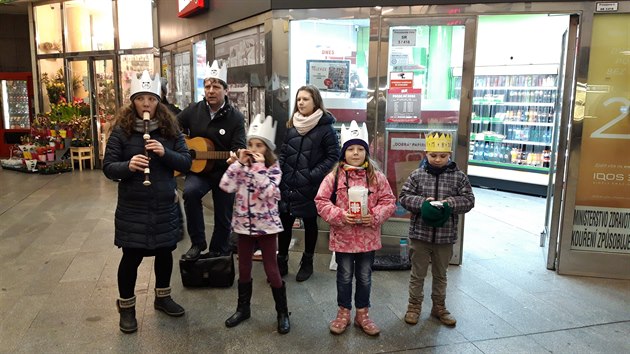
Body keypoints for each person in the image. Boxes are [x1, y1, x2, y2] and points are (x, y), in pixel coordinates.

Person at [102, 70, 192, 334]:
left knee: (165, 252)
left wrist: (165, 153)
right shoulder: (121, 131)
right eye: (140, 99)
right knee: (131, 256)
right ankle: (127, 307)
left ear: (158, 102)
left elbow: (186, 162)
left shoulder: (170, 129)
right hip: (134, 205)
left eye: (150, 99)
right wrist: (128, 165)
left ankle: (163, 297)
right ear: (133, 101)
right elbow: (108, 167)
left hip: (164, 200)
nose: (146, 104)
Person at [315, 120, 396, 336]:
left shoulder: (377, 177)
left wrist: (374, 215)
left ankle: (363, 313)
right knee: (344, 276)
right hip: (343, 238)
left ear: (367, 152)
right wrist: (341, 215)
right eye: (350, 149)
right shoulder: (334, 177)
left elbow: (389, 201)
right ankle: (343, 312)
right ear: (343, 153)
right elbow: (321, 201)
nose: (356, 153)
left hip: (368, 238)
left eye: (360, 149)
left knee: (364, 276)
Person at [219, 114, 290, 334]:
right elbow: (225, 186)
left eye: (259, 145)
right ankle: (243, 309)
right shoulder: (241, 167)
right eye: (250, 144)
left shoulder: (273, 168)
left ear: (267, 149)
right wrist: (238, 164)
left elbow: (269, 192)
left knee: (271, 269)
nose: (253, 148)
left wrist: (258, 168)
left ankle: (282, 312)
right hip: (242, 226)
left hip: (267, 226)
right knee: (244, 268)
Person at [398, 132, 475, 327]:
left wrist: (449, 204)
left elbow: (469, 200)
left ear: (449, 154)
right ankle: (414, 306)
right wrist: (422, 203)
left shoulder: (459, 177)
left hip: (445, 236)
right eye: (433, 155)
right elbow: (404, 197)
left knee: (441, 274)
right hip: (420, 235)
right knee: (418, 273)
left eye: (442, 155)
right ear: (426, 153)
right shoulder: (417, 175)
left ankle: (439, 307)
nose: (438, 159)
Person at [178, 60, 246, 260]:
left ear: (226, 90)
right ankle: (197, 244)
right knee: (190, 193)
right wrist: (183, 142)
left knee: (223, 213)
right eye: (207, 86)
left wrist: (236, 156)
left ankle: (218, 249)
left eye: (216, 86)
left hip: (224, 172)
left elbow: (239, 146)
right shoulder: (194, 110)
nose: (211, 91)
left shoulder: (235, 118)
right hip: (199, 171)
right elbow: (172, 126)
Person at [277, 85, 340, 281]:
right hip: (288, 182)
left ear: (315, 102)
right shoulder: (292, 125)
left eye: (305, 99)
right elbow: (284, 152)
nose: (301, 103)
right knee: (284, 222)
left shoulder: (325, 128)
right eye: (299, 100)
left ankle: (307, 262)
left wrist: (313, 174)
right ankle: (282, 261)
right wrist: (279, 173)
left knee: (310, 223)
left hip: (311, 185)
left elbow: (333, 155)